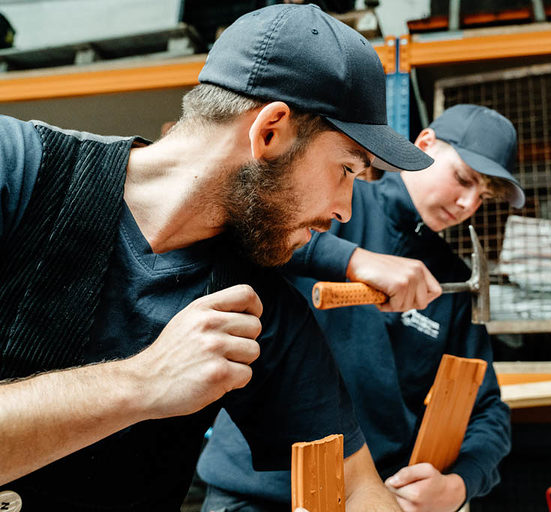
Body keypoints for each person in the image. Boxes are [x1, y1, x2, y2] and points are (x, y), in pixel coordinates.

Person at [0, 5, 441, 510]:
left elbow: (359, 487)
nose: (345, 209)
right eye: (346, 169)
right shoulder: (18, 171)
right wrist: (141, 383)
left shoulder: (251, 311)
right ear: (270, 132)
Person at [197, 104, 524, 512]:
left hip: (366, 499)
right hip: (255, 492)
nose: (467, 203)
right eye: (463, 179)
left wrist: (459, 486)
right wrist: (352, 260)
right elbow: (239, 223)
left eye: (484, 195)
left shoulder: (450, 282)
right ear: (425, 144)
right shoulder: (336, 204)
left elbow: (489, 412)